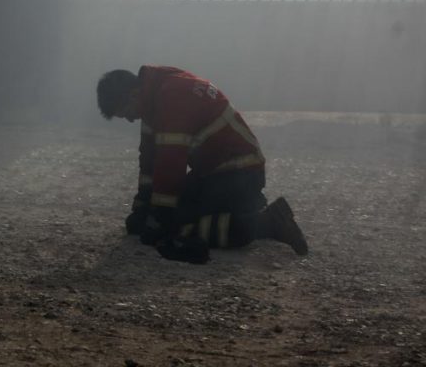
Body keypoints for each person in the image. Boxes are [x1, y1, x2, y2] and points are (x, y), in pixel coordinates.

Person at [96, 66, 308, 263]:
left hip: (239, 173)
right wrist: (143, 206)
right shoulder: (156, 97)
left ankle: (266, 223)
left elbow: (170, 162)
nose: (130, 120)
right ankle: (248, 207)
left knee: (172, 225)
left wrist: (160, 216)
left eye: (126, 113)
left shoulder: (171, 97)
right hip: (219, 172)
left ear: (133, 95)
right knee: (144, 224)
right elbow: (149, 160)